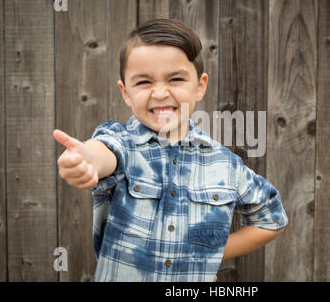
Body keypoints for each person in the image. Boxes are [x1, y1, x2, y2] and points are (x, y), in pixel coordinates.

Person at [53, 18, 288, 282]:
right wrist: (86, 160)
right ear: (126, 92)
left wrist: (206, 253)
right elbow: (104, 152)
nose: (160, 92)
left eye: (175, 79)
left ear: (200, 86)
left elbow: (271, 218)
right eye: (143, 82)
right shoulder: (123, 142)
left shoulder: (225, 164)